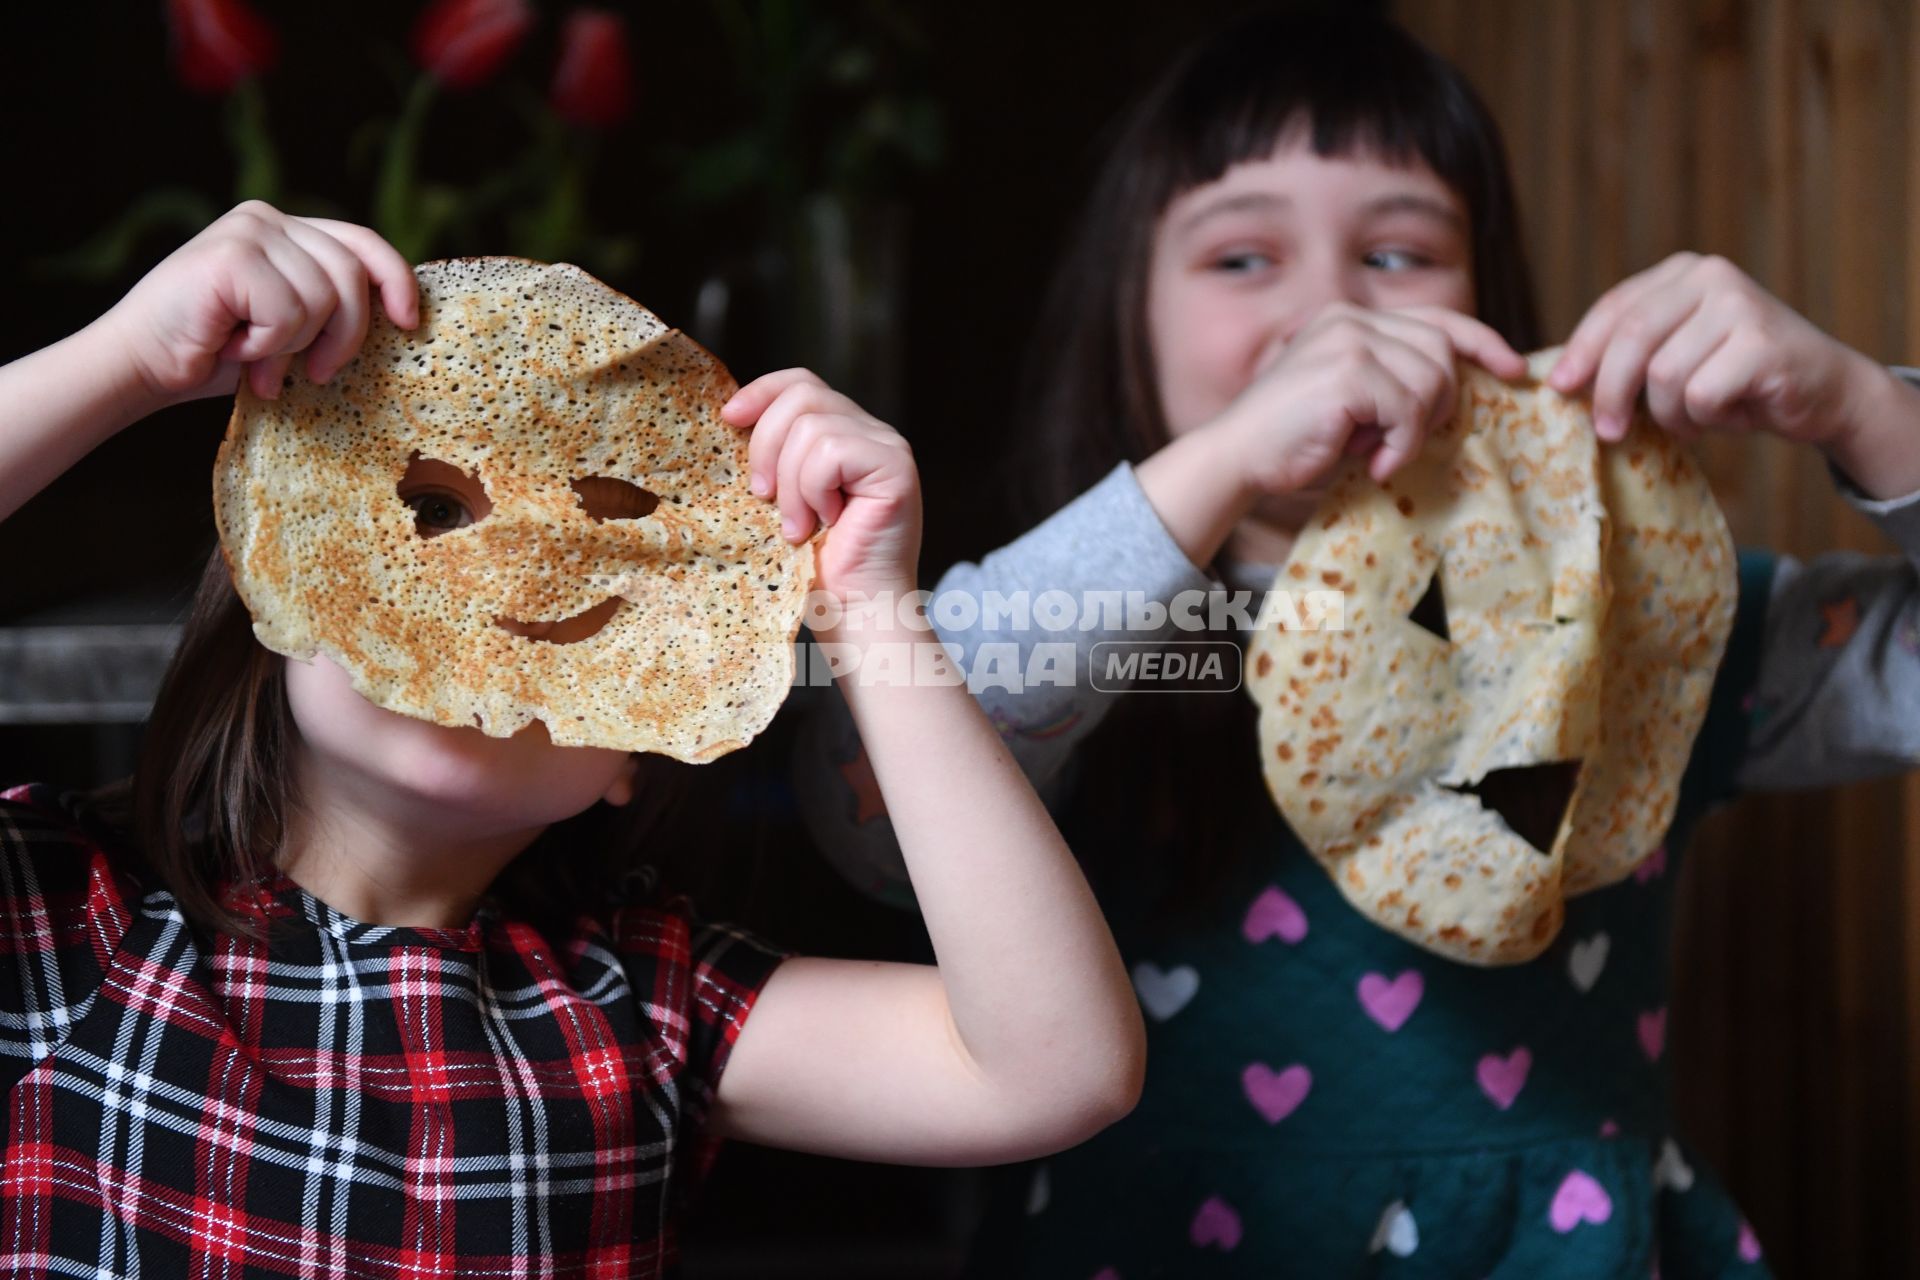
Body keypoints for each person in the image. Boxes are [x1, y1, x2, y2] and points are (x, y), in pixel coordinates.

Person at [795, 9, 1920, 1276]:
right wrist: (1214, 466)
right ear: (1131, 316)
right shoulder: (1090, 642)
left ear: (1490, 301)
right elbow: (865, 805)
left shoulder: (1634, 622)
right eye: (1239, 259)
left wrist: (1867, 409)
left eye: (1396, 252)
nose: (1326, 309)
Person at [0, 199, 1145, 1275]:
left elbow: (1057, 1070)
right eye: (434, 508)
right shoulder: (70, 924)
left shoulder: (643, 1003)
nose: (519, 571)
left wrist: (871, 608)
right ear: (279, 572)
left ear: (638, 747)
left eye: (605, 547)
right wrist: (123, 363)